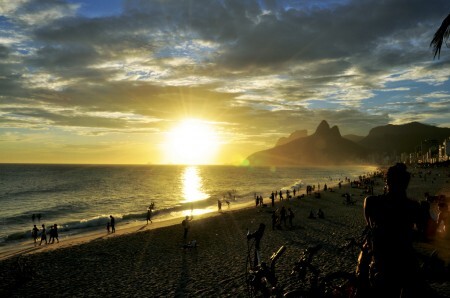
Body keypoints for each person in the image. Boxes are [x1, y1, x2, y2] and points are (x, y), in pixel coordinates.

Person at [363, 163, 428, 297]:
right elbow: (424, 232)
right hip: (405, 263)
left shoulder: (372, 202)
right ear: (406, 183)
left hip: (382, 263)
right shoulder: (413, 206)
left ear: (387, 181)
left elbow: (369, 222)